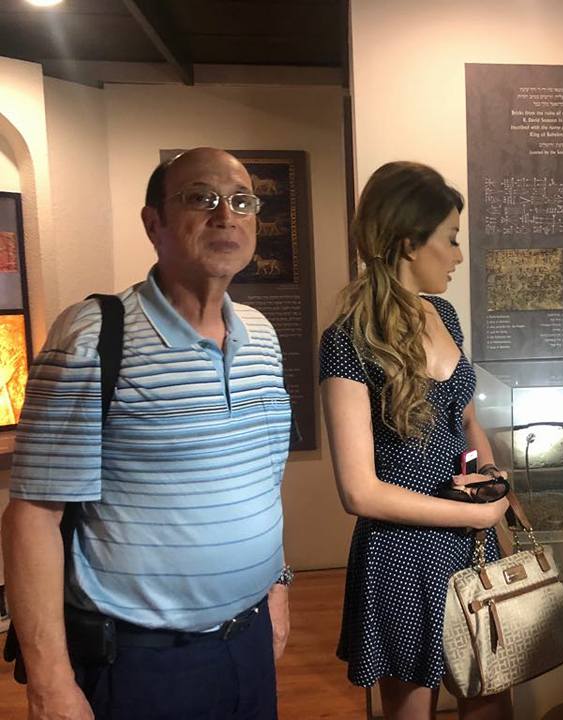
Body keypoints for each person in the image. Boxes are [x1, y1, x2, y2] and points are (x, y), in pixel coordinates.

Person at [2, 147, 293, 720]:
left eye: (241, 201)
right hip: (143, 661)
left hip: (249, 641)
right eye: (200, 198)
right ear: (153, 222)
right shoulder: (91, 336)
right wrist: (50, 683)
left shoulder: (261, 335)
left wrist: (276, 588)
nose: (225, 215)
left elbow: (259, 484)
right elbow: (33, 516)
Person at [319, 161, 512, 720]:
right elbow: (359, 491)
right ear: (408, 241)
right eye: (450, 239)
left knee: (492, 702)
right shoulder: (348, 340)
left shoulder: (444, 315)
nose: (458, 255)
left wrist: (489, 479)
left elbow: (466, 422)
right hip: (402, 552)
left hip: (469, 542)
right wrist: (477, 514)